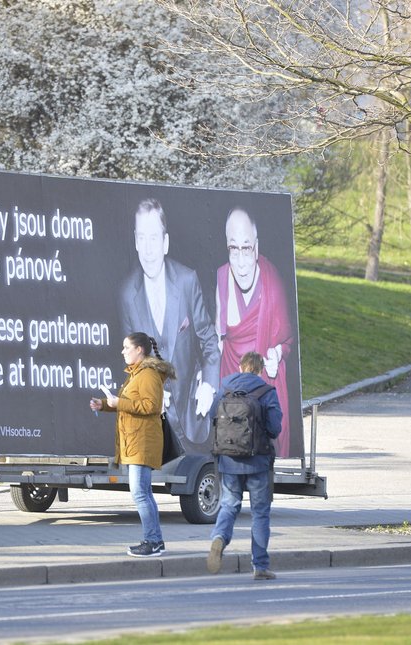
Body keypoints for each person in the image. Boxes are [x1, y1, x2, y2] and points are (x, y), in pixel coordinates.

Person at [118, 199, 219, 451]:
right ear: (135, 242)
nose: (148, 249)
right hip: (154, 424)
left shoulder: (187, 280)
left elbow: (209, 340)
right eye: (143, 238)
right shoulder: (126, 294)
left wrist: (208, 384)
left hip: (193, 418)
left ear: (165, 243)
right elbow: (131, 362)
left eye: (154, 238)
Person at [215, 207, 293, 457]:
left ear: (256, 248)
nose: (240, 260)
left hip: (264, 383)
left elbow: (287, 339)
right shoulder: (222, 277)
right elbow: (219, 337)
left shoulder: (272, 281)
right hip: (232, 384)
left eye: (246, 248)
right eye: (233, 248)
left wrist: (277, 353)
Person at [90, 332, 176, 557]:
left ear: (140, 350)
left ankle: (152, 541)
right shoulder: (137, 373)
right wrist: (106, 405)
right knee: (143, 493)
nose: (122, 351)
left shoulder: (147, 374)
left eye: (126, 347)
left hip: (142, 442)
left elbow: (150, 406)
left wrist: (120, 403)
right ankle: (155, 540)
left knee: (139, 493)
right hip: (136, 441)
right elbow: (130, 403)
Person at [205, 351, 282, 580]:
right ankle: (259, 566)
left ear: (240, 367)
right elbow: (275, 428)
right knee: (260, 513)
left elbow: (212, 417)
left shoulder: (225, 389)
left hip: (228, 460)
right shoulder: (266, 392)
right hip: (257, 460)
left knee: (229, 505)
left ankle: (219, 537)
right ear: (259, 370)